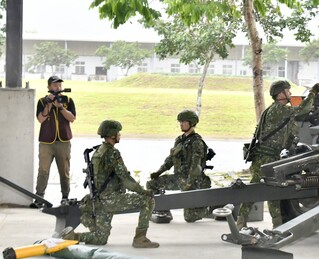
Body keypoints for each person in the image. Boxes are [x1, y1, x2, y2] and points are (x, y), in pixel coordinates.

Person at [236, 80, 319, 229]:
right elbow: (301, 109)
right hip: (264, 157)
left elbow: (297, 120)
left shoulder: (279, 110)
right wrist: (312, 93)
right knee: (254, 190)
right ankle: (241, 221)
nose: (290, 93)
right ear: (280, 94)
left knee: (273, 192)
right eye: (287, 91)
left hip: (270, 157)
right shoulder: (277, 109)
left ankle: (277, 225)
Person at [62, 120, 159, 248]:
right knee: (147, 200)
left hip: (99, 199)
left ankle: (73, 237)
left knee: (101, 238)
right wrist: (143, 191)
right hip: (111, 199)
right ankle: (140, 238)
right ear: (112, 135)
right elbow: (125, 178)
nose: (120, 135)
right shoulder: (112, 153)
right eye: (118, 133)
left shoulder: (98, 151)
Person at [146, 110, 212, 222]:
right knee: (151, 184)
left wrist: (189, 182)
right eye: (180, 122)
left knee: (189, 217)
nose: (181, 124)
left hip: (194, 180)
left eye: (184, 122)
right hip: (179, 177)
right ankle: (162, 210)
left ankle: (210, 207)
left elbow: (196, 166)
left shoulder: (197, 142)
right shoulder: (179, 140)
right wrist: (159, 172)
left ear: (192, 123)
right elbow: (170, 159)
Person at [31, 76, 76, 208]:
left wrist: (61, 107)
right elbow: (41, 119)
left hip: (64, 141)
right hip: (46, 142)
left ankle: (65, 197)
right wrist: (49, 105)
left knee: (64, 170)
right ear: (49, 87)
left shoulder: (67, 100)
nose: (58, 88)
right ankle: (39, 198)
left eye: (59, 85)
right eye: (55, 85)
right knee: (43, 170)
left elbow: (72, 118)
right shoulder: (42, 101)